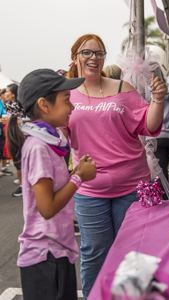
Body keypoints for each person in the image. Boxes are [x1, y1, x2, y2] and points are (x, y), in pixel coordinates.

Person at [66, 33, 167, 299]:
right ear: (75, 57)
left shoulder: (123, 88)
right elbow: (58, 133)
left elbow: (149, 125)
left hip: (132, 186)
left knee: (132, 253)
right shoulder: (66, 95)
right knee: (95, 253)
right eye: (87, 52)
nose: (93, 58)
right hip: (90, 191)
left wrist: (158, 99)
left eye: (99, 53)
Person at [6, 69, 97, 300]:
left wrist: (76, 172)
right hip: (45, 257)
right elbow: (46, 208)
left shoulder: (50, 141)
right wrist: (78, 178)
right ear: (45, 105)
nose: (73, 107)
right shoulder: (38, 147)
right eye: (67, 100)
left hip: (57, 252)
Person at [146, 63, 169, 194]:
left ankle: (164, 204)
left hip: (156, 136)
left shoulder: (149, 90)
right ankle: (166, 199)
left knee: (160, 175)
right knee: (164, 172)